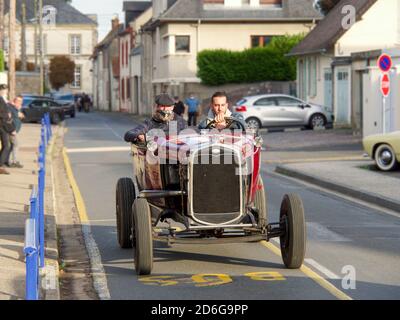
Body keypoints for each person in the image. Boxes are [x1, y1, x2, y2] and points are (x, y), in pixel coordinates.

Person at [0, 84, 15, 175]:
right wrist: (11, 129)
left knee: (7, 145)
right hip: (2, 126)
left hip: (4, 125)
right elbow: (2, 115)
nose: (5, 91)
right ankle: (0, 166)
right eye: (4, 90)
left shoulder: (3, 100)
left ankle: (2, 164)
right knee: (7, 146)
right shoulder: (0, 100)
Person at [7, 96, 24, 168]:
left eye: (21, 101)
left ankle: (8, 160)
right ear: (15, 101)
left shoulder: (17, 108)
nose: (20, 103)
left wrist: (20, 113)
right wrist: (12, 130)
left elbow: (22, 116)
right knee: (16, 144)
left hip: (15, 130)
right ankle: (14, 161)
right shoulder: (11, 107)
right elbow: (10, 118)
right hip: (12, 130)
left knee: (11, 146)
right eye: (19, 101)